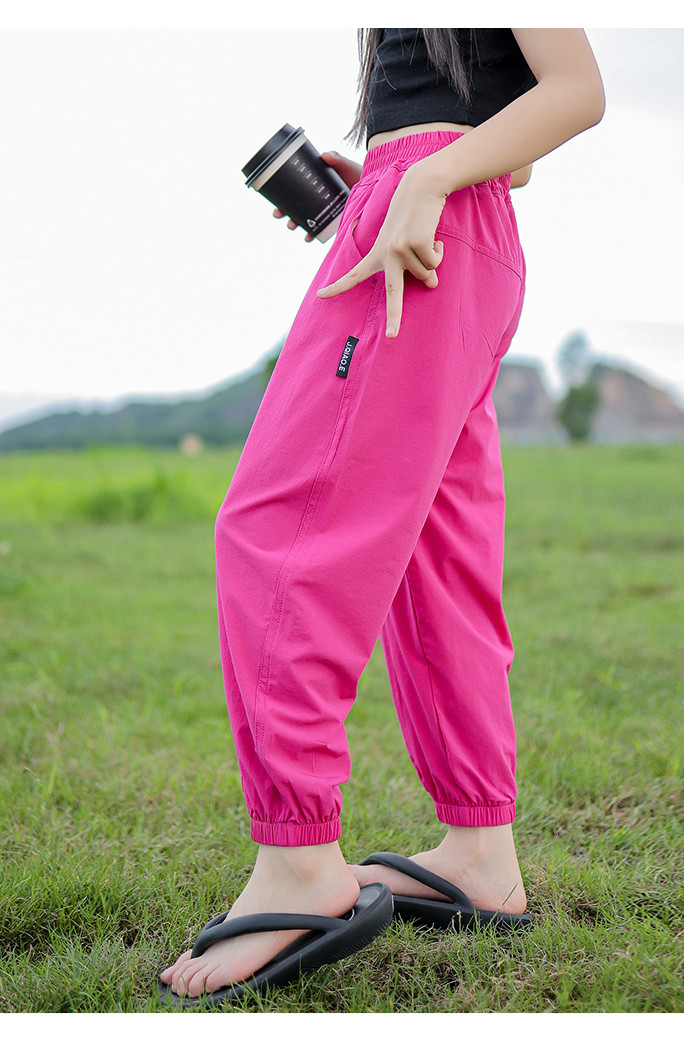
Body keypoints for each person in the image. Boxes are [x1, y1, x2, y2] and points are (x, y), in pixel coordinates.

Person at [159, 27, 605, 1007]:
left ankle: (300, 865)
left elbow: (578, 89)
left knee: (276, 530)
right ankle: (480, 850)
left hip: (432, 217)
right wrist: (388, 179)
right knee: (439, 555)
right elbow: (518, 153)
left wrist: (418, 179)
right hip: (463, 226)